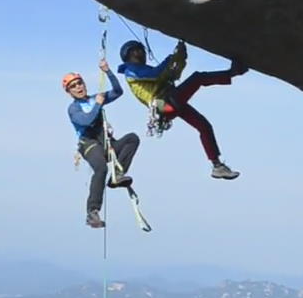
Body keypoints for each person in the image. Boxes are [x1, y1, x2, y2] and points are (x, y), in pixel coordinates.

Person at [117, 40, 246, 180]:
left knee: (204, 126)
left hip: (167, 102)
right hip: (162, 103)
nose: (142, 53)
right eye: (139, 51)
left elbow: (171, 75)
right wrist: (171, 57)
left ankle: (217, 166)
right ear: (132, 53)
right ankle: (233, 72)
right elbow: (156, 74)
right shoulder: (131, 70)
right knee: (198, 78)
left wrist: (180, 58)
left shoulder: (141, 69)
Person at [64, 60, 139, 228]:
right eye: (73, 86)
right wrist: (98, 103)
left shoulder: (94, 98)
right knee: (101, 168)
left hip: (105, 142)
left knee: (132, 139)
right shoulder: (74, 108)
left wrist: (108, 72)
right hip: (89, 144)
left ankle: (117, 177)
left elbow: (118, 92)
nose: (78, 87)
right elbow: (86, 120)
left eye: (79, 83)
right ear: (69, 92)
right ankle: (92, 212)